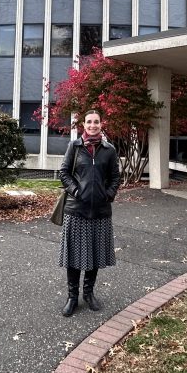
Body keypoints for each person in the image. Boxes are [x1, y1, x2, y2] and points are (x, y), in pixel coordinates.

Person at [57, 109, 121, 317]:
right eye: (89, 122)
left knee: (93, 255)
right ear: (83, 125)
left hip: (101, 211)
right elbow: (64, 173)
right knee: (74, 257)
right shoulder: (74, 147)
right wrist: (76, 191)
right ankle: (72, 297)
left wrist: (108, 195)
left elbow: (115, 177)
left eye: (96, 122)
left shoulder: (108, 150)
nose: (93, 125)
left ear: (101, 124)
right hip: (76, 210)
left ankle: (89, 293)